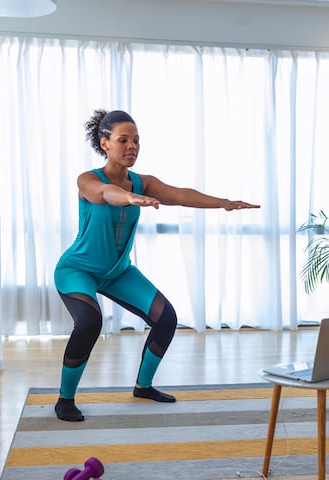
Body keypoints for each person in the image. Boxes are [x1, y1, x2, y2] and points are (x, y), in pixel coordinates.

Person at [53, 109, 260, 421]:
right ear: (104, 143)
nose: (132, 146)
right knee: (89, 322)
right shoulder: (88, 180)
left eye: (136, 141)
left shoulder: (142, 182)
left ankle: (143, 386)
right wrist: (128, 198)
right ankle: (64, 400)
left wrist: (223, 202)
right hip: (77, 269)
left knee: (166, 318)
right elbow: (105, 194)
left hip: (118, 271)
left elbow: (179, 194)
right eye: (123, 140)